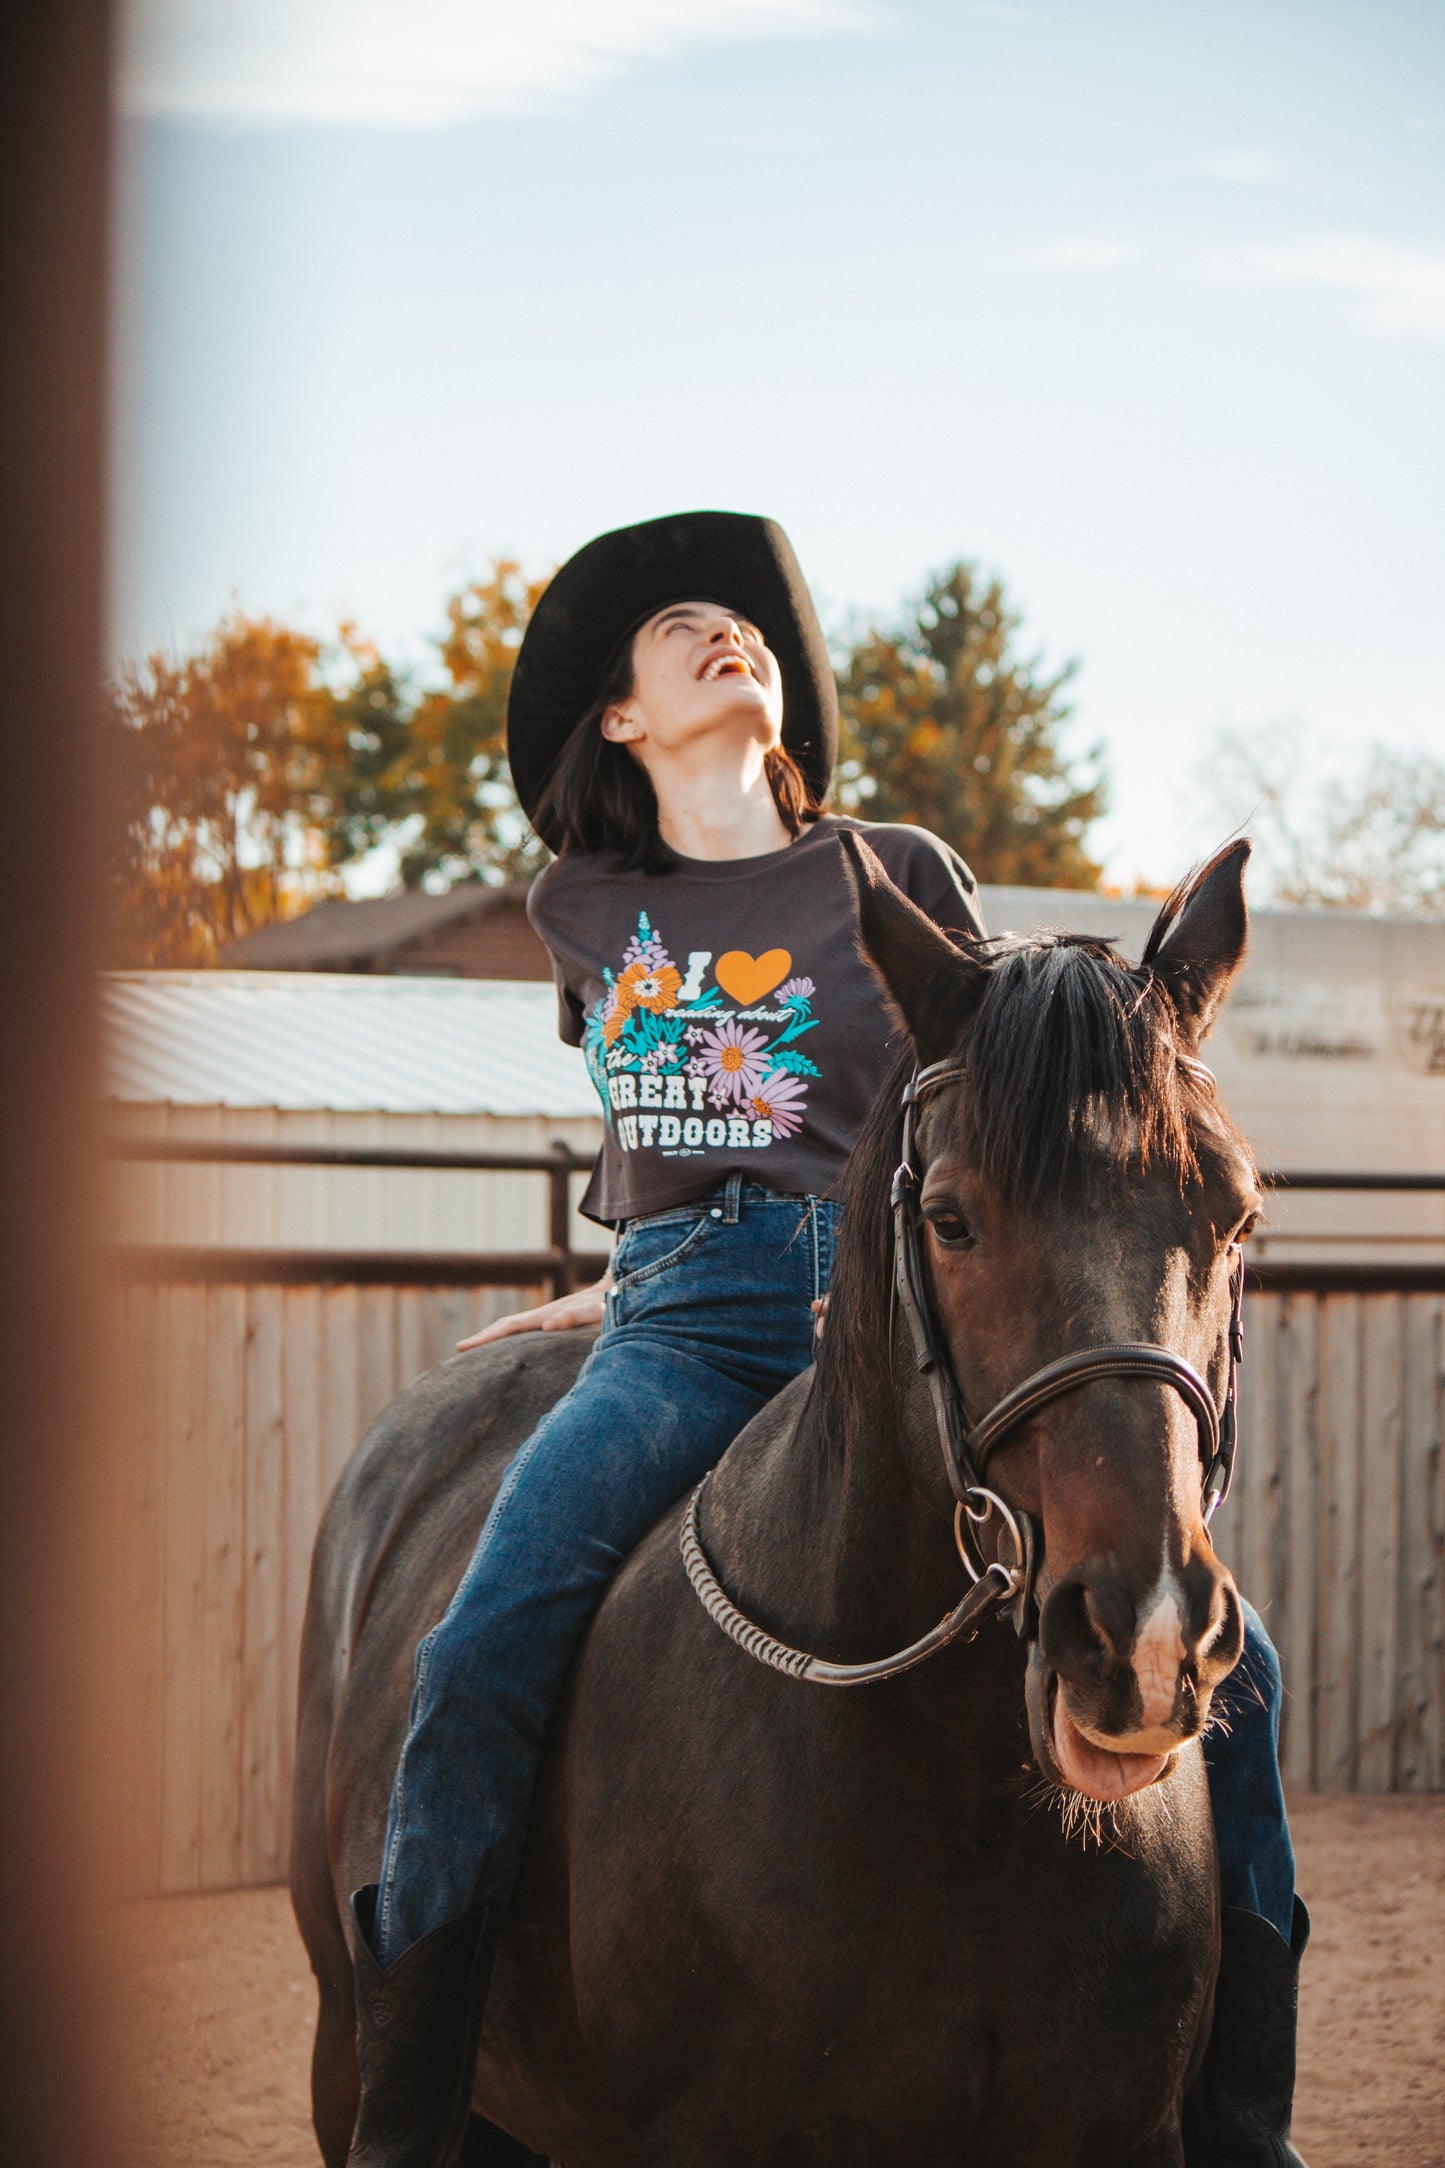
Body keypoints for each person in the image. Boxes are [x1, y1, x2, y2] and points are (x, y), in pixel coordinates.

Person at [346, 511, 1307, 2168]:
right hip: (672, 1332)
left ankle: (1235, 2120)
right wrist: (610, 1288)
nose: (728, 636)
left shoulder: (901, 875)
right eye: (680, 631)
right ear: (620, 720)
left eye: (746, 624)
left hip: (895, 1315)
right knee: (480, 1645)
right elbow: (661, 1138)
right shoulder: (580, 901)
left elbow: (980, 1117)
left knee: (1246, 1671)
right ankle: (411, 2111)